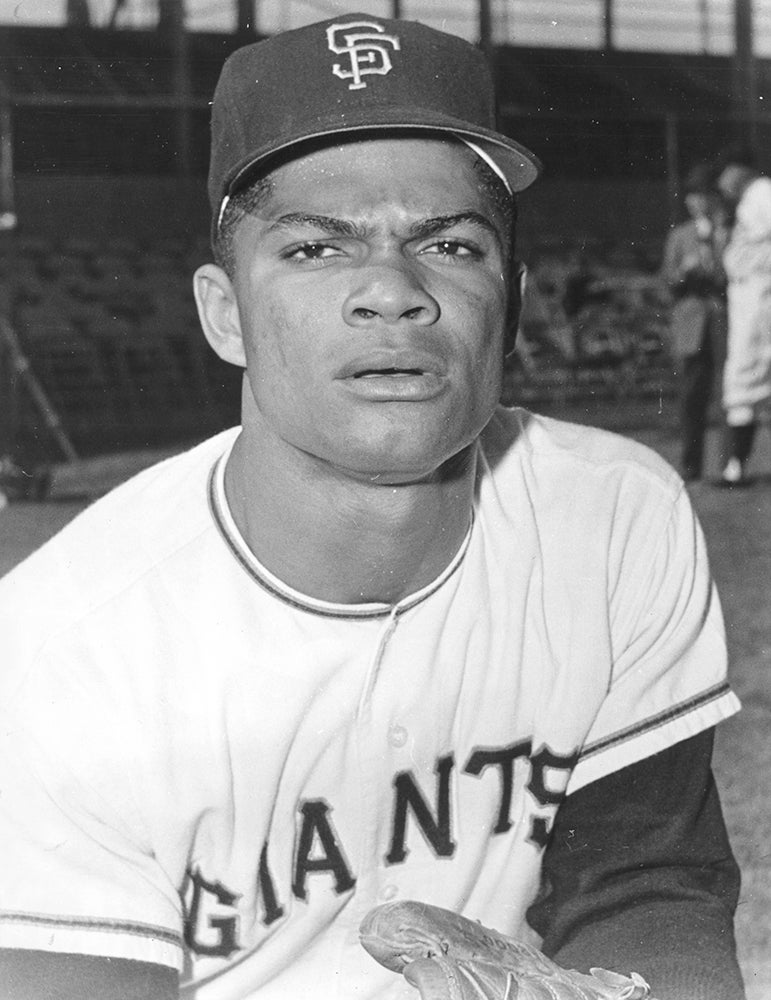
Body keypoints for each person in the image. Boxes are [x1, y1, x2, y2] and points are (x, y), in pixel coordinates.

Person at [0, 15, 745, 1000]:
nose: (390, 292)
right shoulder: (56, 658)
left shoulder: (614, 518)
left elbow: (646, 882)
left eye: (449, 243)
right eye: (315, 249)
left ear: (512, 303)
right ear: (224, 311)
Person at [660, 165, 729, 481]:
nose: (697, 202)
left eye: (702, 196)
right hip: (691, 325)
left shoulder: (725, 232)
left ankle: (730, 465)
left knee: (728, 396)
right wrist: (684, 272)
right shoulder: (679, 236)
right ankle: (692, 466)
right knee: (692, 398)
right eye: (692, 196)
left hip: (722, 318)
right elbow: (666, 284)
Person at [716, 147, 771, 485]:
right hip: (746, 295)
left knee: (745, 376)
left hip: (760, 294)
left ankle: (735, 468)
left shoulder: (762, 192)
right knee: (742, 381)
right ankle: (734, 468)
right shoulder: (750, 198)